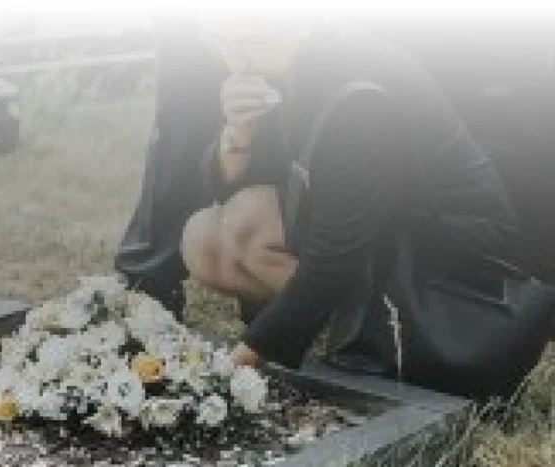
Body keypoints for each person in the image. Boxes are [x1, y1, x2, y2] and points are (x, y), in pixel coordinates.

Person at [114, 14, 546, 398]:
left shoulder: (358, 93)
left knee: (254, 232)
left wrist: (234, 365)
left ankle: (376, 333)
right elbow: (242, 186)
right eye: (222, 44)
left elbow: (335, 255)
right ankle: (345, 326)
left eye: (252, 42)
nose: (239, 62)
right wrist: (239, 135)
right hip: (381, 229)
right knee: (207, 236)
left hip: (450, 265)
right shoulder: (287, 63)